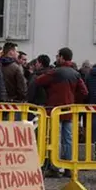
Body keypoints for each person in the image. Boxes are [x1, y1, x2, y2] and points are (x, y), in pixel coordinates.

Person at [35, 47, 88, 177]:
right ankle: (68, 167)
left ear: (62, 57)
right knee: (68, 139)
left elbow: (38, 81)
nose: (56, 58)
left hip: (54, 110)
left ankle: (55, 167)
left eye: (58, 56)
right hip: (69, 110)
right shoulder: (75, 73)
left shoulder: (55, 72)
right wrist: (74, 100)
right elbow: (84, 92)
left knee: (55, 138)